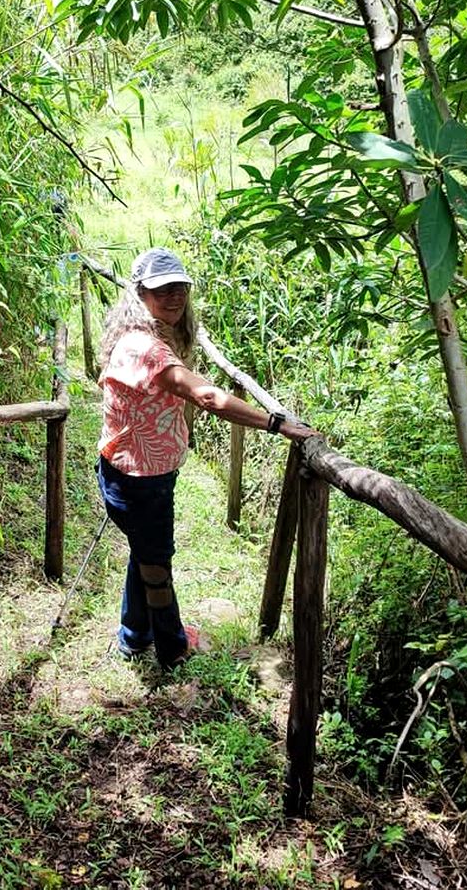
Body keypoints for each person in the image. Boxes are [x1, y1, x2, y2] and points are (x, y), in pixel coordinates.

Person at [96, 247, 321, 668]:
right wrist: (277, 423)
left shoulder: (127, 339)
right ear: (140, 294)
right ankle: (171, 648)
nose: (174, 296)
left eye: (179, 287)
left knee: (143, 553)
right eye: (162, 289)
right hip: (143, 479)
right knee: (156, 565)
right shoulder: (152, 351)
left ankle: (133, 635)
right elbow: (206, 395)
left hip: (118, 468)